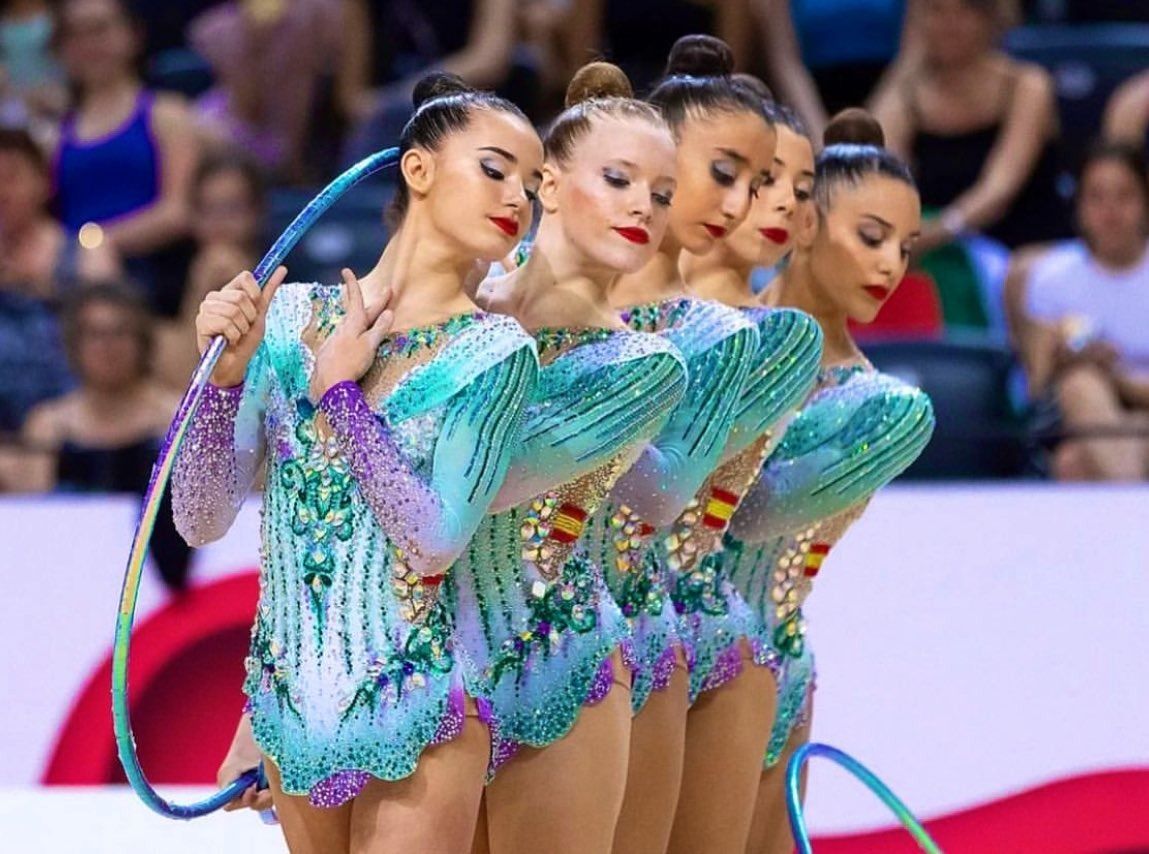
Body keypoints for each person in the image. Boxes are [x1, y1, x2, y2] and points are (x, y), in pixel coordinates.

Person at [185, 73, 543, 852]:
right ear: (417, 169)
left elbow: (435, 541)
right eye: (495, 168)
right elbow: (199, 515)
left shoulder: (493, 354)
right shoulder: (286, 317)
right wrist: (222, 382)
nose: (517, 195)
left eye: (531, 182)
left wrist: (341, 398)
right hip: (291, 713)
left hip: (415, 705)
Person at [459, 61, 689, 854]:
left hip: (554, 658)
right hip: (421, 661)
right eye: (620, 179)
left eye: (660, 196)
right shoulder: (447, 308)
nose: (642, 208)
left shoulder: (642, 367)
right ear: (546, 185)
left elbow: (482, 487)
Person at [605, 37, 821, 854]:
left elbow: (661, 505)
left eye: (767, 184)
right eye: (728, 174)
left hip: (672, 632)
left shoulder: (746, 341)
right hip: (491, 636)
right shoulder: (517, 288)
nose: (745, 203)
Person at [719, 109, 934, 853]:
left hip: (752, 661)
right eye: (870, 238)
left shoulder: (878, 409)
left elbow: (739, 519)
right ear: (803, 221)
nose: (889, 268)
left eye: (904, 249)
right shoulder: (711, 330)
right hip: (627, 644)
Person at [870, 0, 1062, 329]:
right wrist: (907, 61)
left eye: (964, 12)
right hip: (933, 249)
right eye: (937, 11)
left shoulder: (1027, 85)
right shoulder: (908, 94)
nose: (949, 24)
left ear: (990, 19)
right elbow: (872, 168)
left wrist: (939, 232)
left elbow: (999, 188)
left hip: (1016, 250)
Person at [17, 282, 193, 589]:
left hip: (164, 585)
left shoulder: (177, 415)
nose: (108, 347)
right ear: (74, 344)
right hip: (69, 578)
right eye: (95, 335)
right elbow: (36, 523)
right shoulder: (48, 424)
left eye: (120, 333)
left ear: (142, 340)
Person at [52, 0, 199, 317]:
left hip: (152, 271)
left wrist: (99, 241)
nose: (89, 44)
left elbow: (178, 211)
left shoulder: (166, 114)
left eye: (100, 29)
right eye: (75, 35)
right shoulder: (54, 133)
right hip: (69, 273)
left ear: (132, 34)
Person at [1023, 142, 1149, 482]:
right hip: (1074, 415)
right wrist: (1063, 356)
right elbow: (1035, 387)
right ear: (1079, 207)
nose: (1111, 210)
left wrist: (1116, 376)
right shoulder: (1052, 276)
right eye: (1096, 197)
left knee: (1075, 462)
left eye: (1124, 196)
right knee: (1081, 382)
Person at [189, 0, 357, 182]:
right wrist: (253, 38)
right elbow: (248, 107)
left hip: (295, 146)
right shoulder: (216, 27)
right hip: (236, 127)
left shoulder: (319, 12)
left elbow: (348, 95)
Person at [155, 151, 265, 391]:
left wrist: (256, 290)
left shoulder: (291, 270)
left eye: (232, 208)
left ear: (256, 212)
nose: (220, 223)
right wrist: (197, 293)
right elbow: (180, 385)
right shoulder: (168, 281)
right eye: (209, 210)